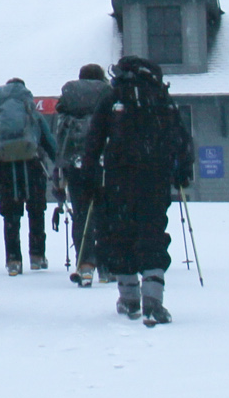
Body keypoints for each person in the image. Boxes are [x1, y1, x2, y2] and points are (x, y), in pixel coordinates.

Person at [75, 54, 194, 325]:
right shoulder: (160, 98)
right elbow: (181, 138)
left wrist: (90, 177)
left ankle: (129, 297)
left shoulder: (113, 97)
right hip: (155, 178)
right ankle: (153, 299)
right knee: (152, 232)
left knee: (121, 234)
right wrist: (182, 171)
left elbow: (94, 141)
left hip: (118, 178)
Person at [0, 76, 57, 275]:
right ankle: (37, 256)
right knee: (36, 210)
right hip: (33, 165)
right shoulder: (32, 113)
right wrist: (57, 162)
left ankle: (13, 259)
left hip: (6, 168)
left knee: (11, 213)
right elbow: (49, 141)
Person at [53, 62, 112, 285]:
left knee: (81, 213)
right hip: (102, 162)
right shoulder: (108, 95)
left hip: (74, 162)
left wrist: (59, 170)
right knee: (105, 212)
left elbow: (59, 135)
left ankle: (85, 264)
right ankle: (106, 265)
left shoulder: (69, 99)